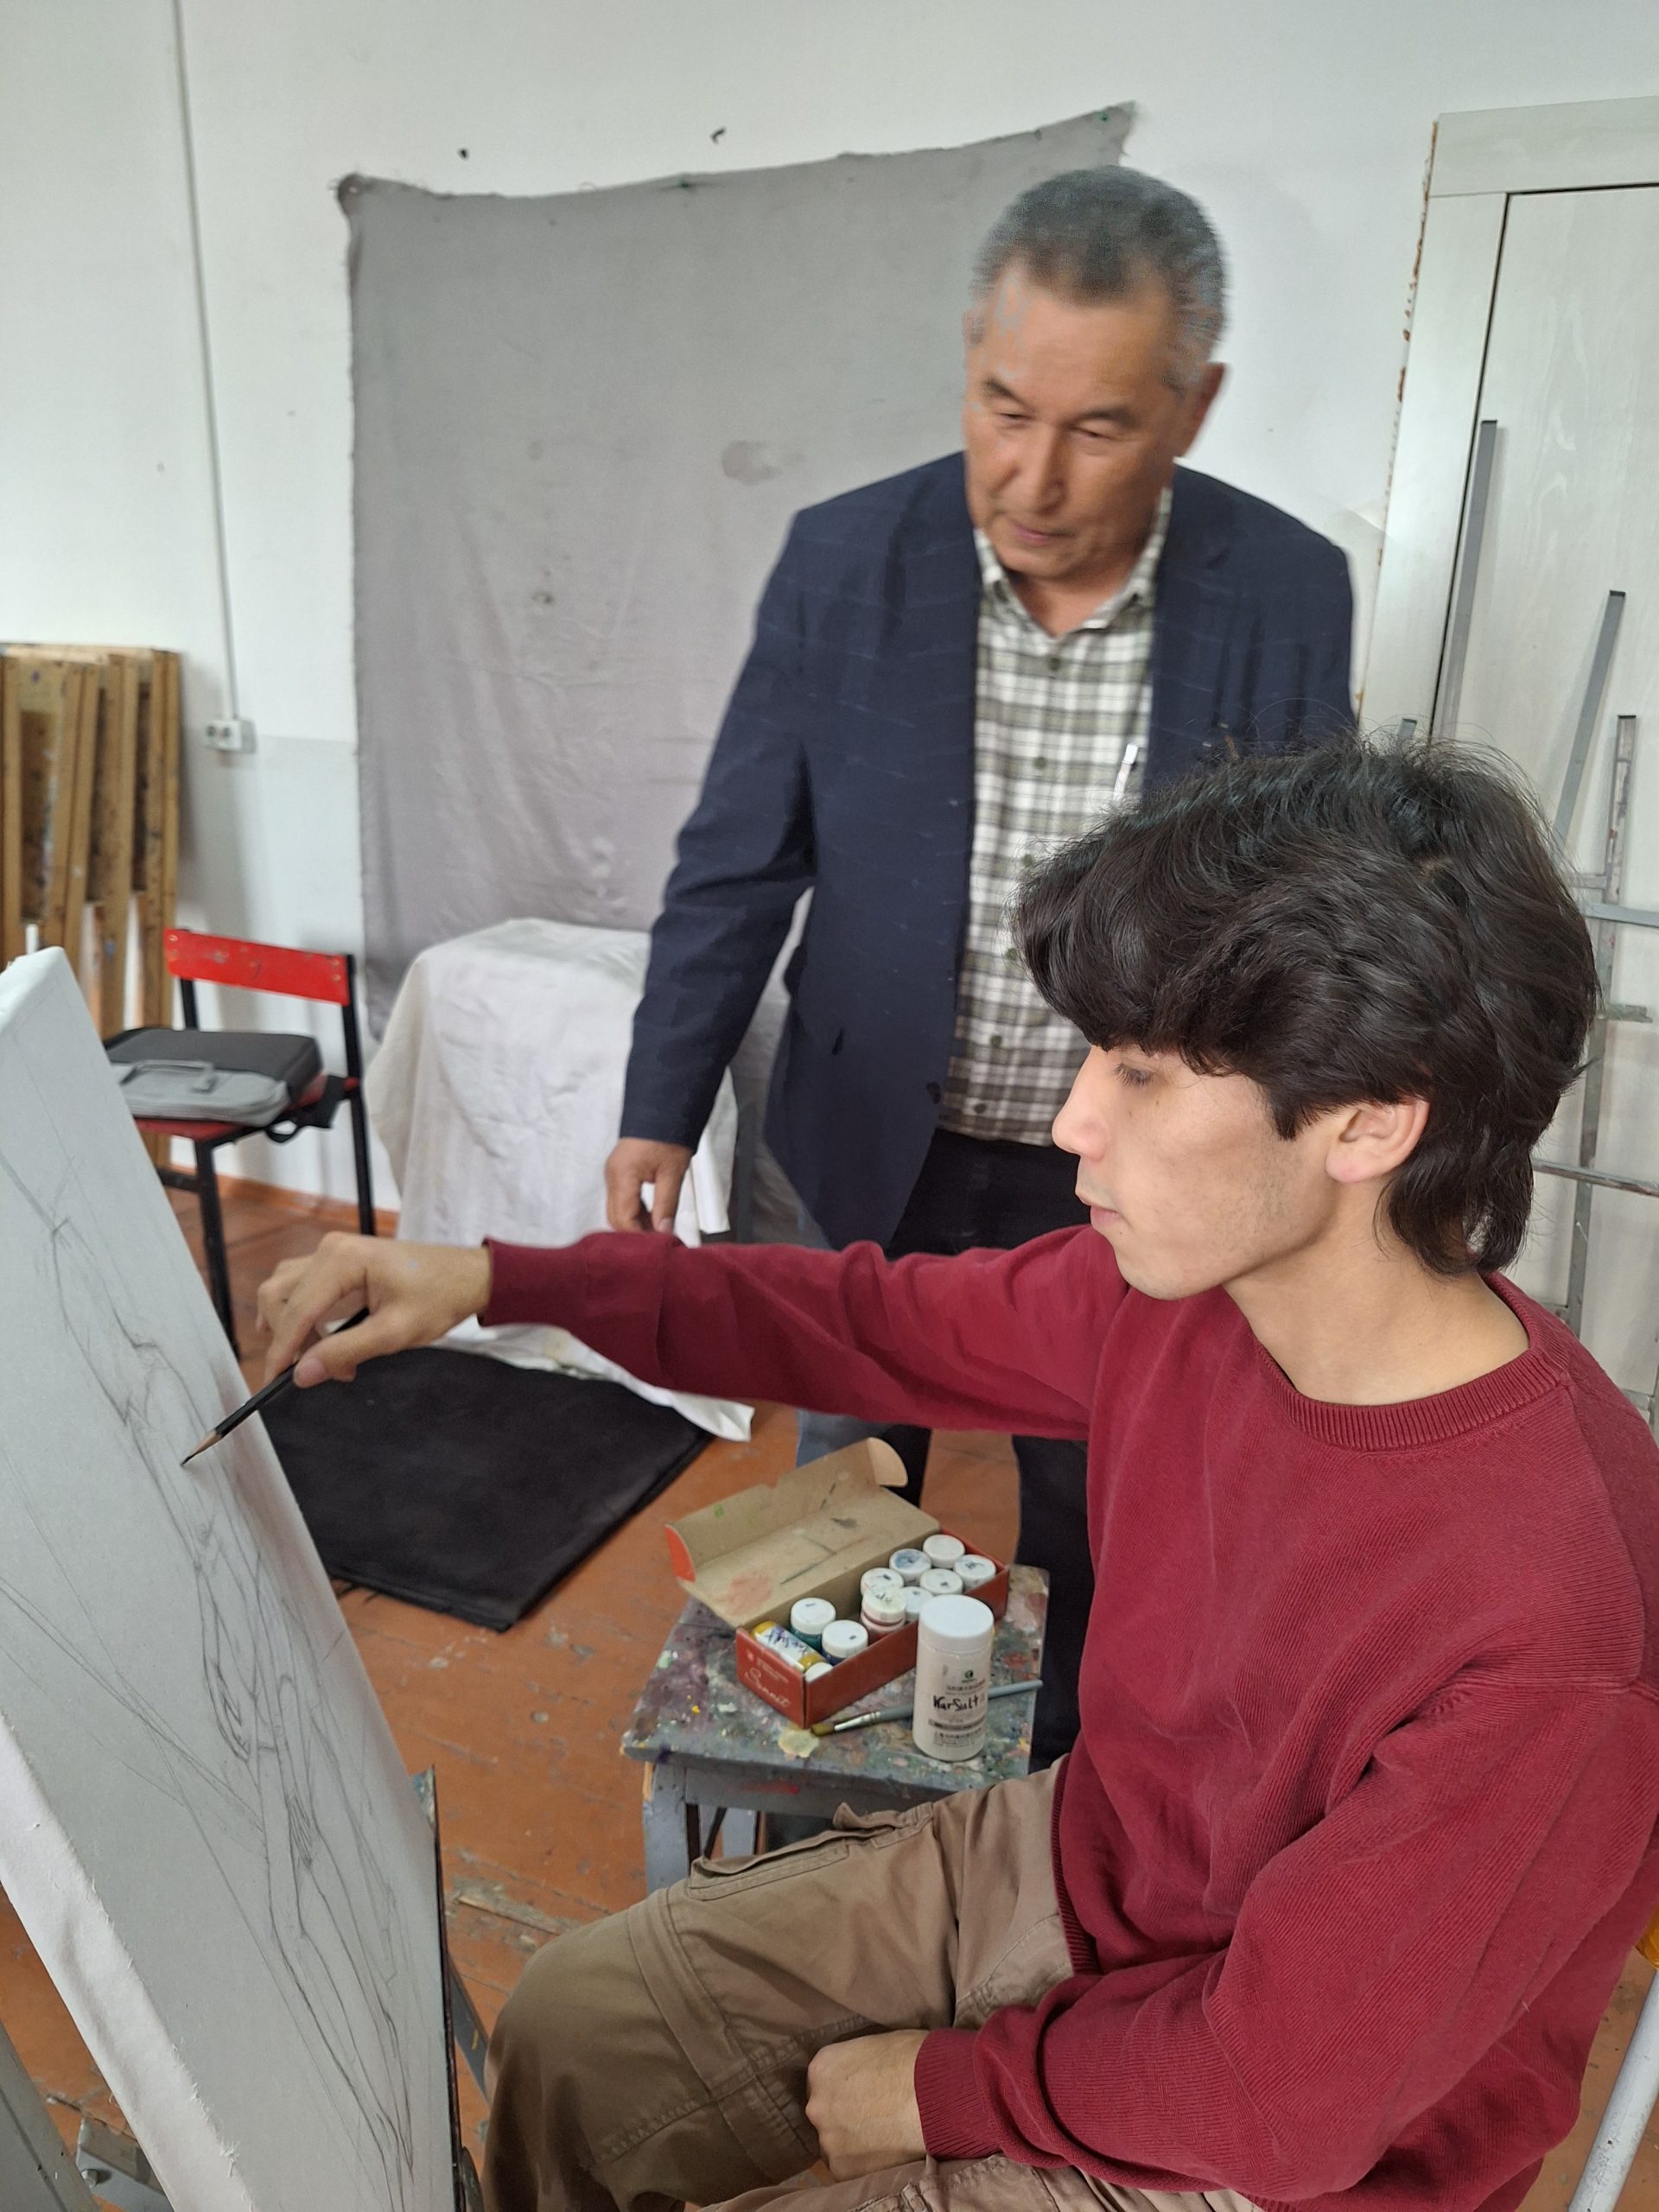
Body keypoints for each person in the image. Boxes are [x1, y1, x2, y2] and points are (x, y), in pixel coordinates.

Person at [262, 734, 1659, 2212]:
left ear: (1371, 1120)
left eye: (1140, 1072)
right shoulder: (1183, 1299)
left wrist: (942, 2089)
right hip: (1091, 1868)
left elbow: (1278, 2094)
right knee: (574, 2030)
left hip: (1277, 2143)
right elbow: (870, 1320)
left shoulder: (1560, 1627)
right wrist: (496, 1277)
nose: (1072, 1121)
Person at [603, 167, 1354, 1766]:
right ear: (967, 360)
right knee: (847, 1487)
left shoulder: (1287, 592)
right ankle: (821, 1797)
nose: (1032, 476)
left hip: (1121, 1171)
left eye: (1099, 429)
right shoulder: (842, 562)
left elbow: (1301, 920)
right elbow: (739, 862)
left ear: (1193, 408)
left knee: (1098, 1501)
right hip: (873, 1134)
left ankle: (1059, 1794)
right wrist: (661, 1105)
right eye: (1004, 410)